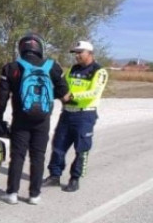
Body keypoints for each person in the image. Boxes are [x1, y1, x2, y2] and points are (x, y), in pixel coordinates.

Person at [0, 33, 69, 205]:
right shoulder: (52, 66)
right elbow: (63, 93)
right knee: (38, 156)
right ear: (40, 48)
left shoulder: (11, 67)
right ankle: (34, 195)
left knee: (17, 156)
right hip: (43, 119)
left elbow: (2, 97)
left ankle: (12, 193)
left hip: (20, 119)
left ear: (21, 48)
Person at [45, 40, 108, 192]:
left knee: (82, 148)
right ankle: (54, 176)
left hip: (85, 114)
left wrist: (71, 96)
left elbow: (94, 92)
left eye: (80, 52)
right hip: (67, 113)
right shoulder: (73, 69)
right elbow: (64, 86)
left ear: (90, 53)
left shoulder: (99, 71)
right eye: (75, 53)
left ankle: (75, 178)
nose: (77, 56)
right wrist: (54, 94)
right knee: (58, 145)